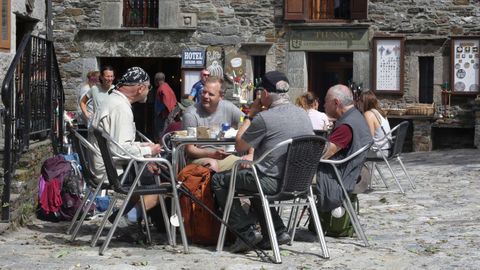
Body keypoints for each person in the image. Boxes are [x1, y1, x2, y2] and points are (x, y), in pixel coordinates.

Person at [211, 71, 315, 252]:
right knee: (255, 179)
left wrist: (251, 114)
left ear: (264, 94)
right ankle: (278, 231)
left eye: (260, 93)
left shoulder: (264, 118)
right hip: (301, 183)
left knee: (219, 180)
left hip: (272, 183)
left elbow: (240, 146)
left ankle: (245, 231)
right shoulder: (303, 114)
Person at [90, 67, 163, 232]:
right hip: (113, 171)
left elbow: (117, 144)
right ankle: (126, 219)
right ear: (141, 88)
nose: (148, 93)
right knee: (166, 181)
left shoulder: (112, 100)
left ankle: (125, 219)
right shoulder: (121, 107)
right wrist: (149, 152)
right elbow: (122, 151)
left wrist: (143, 147)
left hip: (106, 166)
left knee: (150, 171)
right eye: (148, 88)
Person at [315, 84, 372, 215]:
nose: (323, 105)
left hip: (337, 177)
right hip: (348, 173)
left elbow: (323, 154)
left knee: (289, 177)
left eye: (325, 102)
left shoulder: (346, 126)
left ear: (336, 103)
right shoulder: (357, 117)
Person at [182, 76, 246, 172]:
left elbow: (250, 124)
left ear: (221, 97)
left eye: (210, 94)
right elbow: (190, 150)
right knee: (212, 164)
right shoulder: (191, 114)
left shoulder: (227, 107)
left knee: (248, 163)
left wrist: (251, 153)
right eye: (204, 92)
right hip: (199, 158)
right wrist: (211, 154)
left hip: (224, 156)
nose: (205, 96)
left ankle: (233, 187)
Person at [357, 90, 391, 158]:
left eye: (359, 100)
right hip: (387, 148)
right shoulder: (380, 112)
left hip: (379, 151)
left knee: (350, 153)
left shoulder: (368, 114)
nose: (358, 103)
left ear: (364, 102)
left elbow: (368, 138)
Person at [153, 72, 177, 140]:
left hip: (164, 117)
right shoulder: (167, 86)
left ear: (156, 80)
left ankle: (163, 149)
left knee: (163, 134)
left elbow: (166, 100)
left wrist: (161, 112)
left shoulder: (162, 88)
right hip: (167, 115)